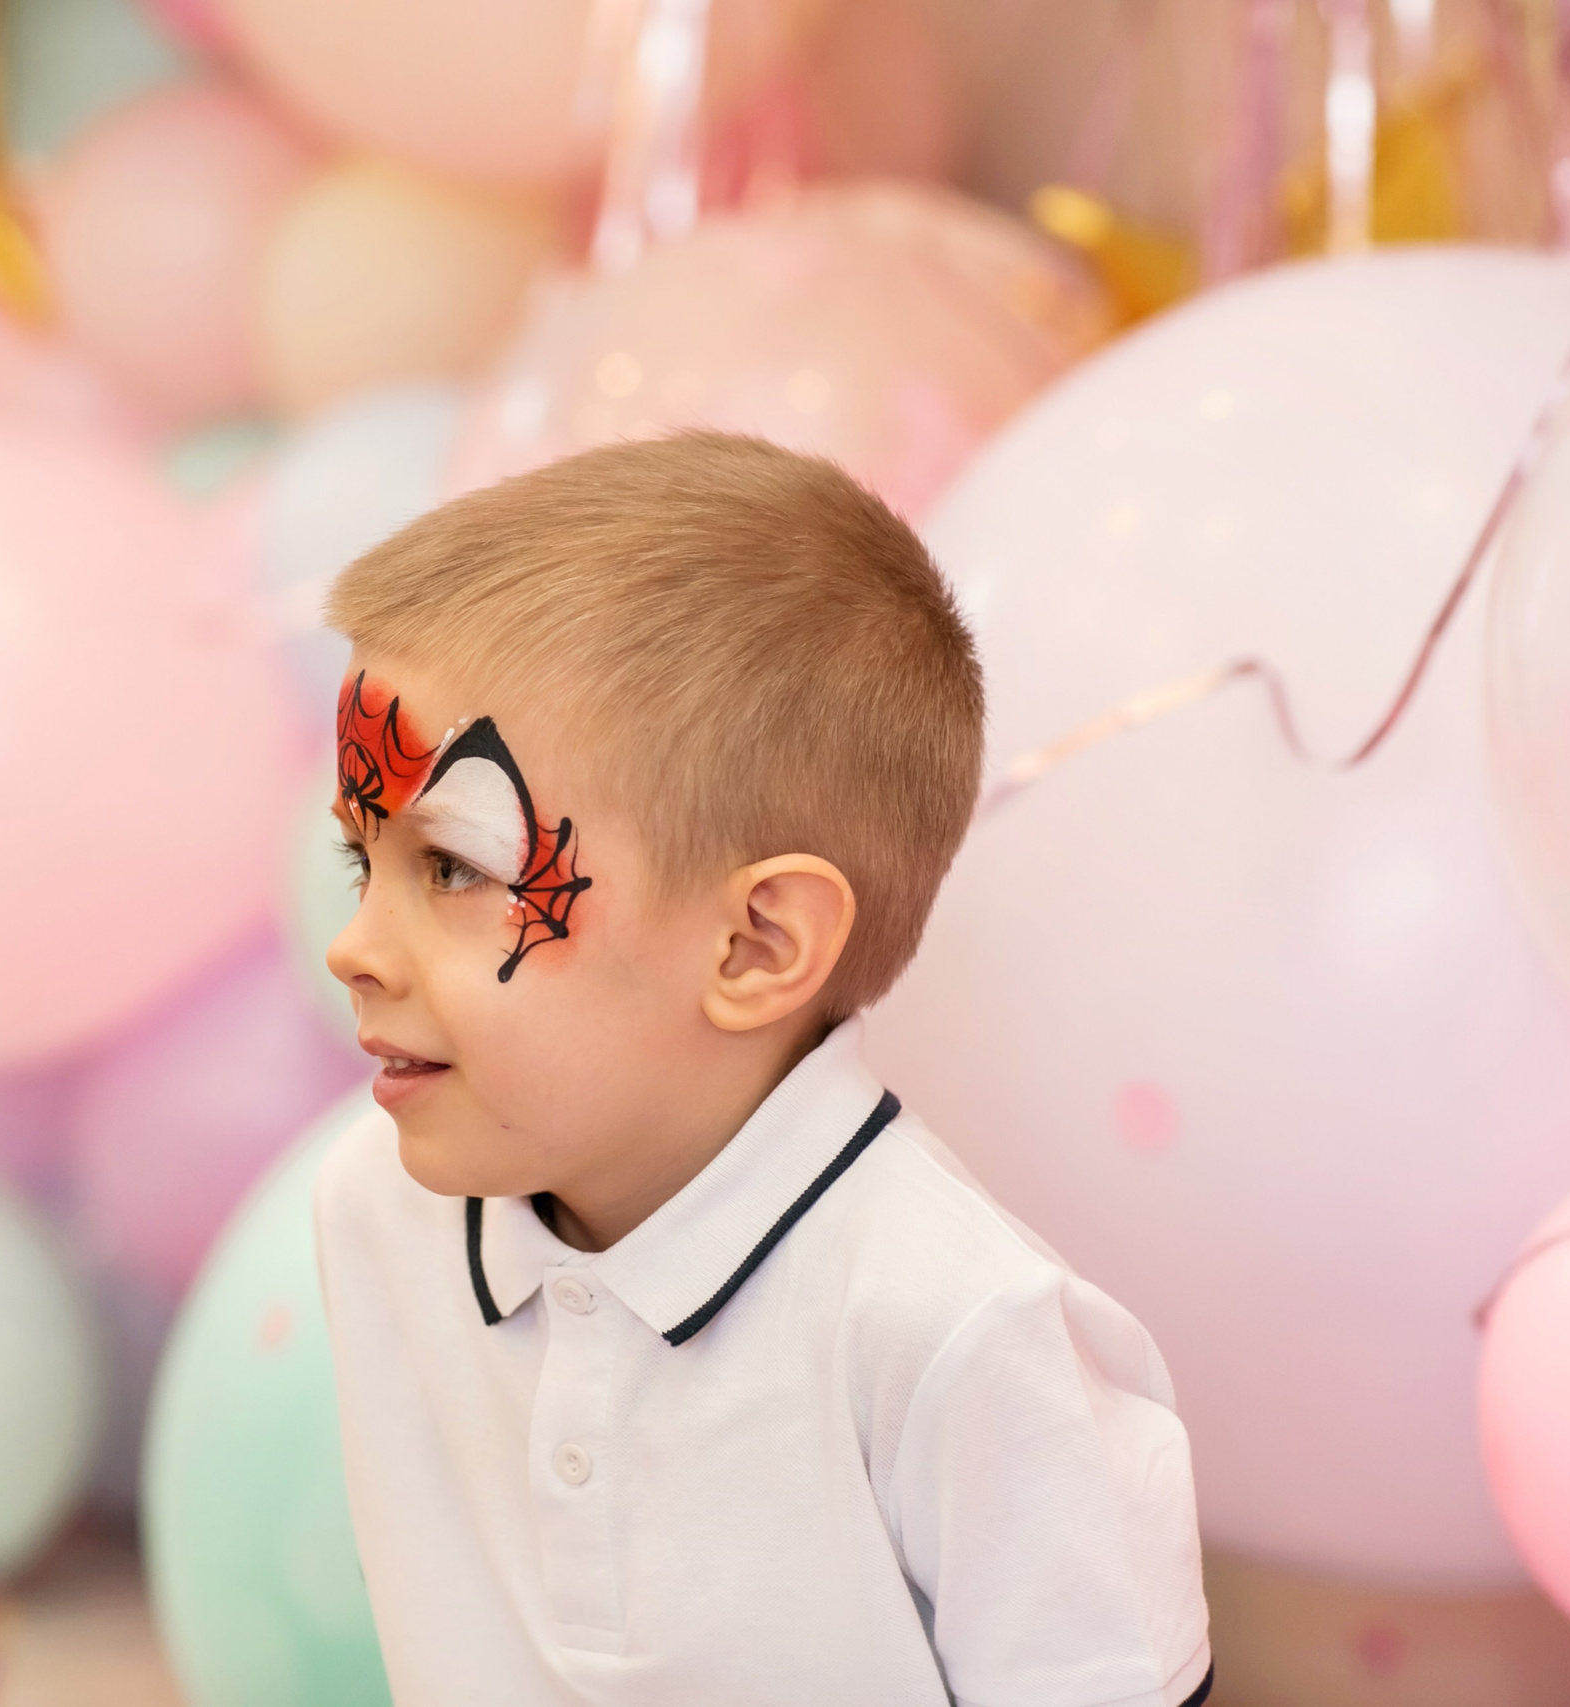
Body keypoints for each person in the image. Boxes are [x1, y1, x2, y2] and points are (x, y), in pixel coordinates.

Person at [313, 433, 1211, 1707]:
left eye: (453, 869)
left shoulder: (959, 1334)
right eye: (364, 863)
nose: (351, 948)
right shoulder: (376, 1208)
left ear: (755, 943)